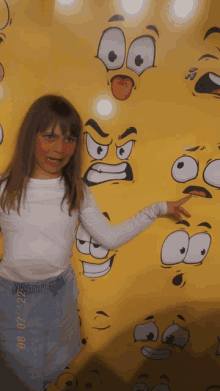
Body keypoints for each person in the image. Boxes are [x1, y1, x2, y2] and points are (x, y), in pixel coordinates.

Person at [0, 95, 192, 391]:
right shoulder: (5, 188)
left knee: (49, 373)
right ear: (31, 136)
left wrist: (157, 209)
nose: (59, 148)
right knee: (17, 379)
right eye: (49, 136)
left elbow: (109, 237)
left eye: (68, 139)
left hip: (58, 295)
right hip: (14, 298)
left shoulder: (76, 190)